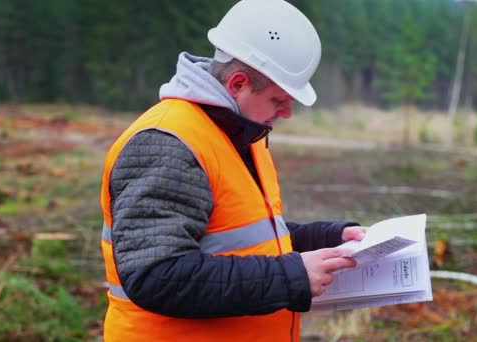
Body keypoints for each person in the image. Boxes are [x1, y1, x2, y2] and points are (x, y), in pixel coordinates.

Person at [99, 0, 366, 341]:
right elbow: (157, 274)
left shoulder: (241, 133)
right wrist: (291, 277)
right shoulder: (165, 143)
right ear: (238, 83)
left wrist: (328, 238)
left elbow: (243, 239)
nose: (286, 113)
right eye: (278, 100)